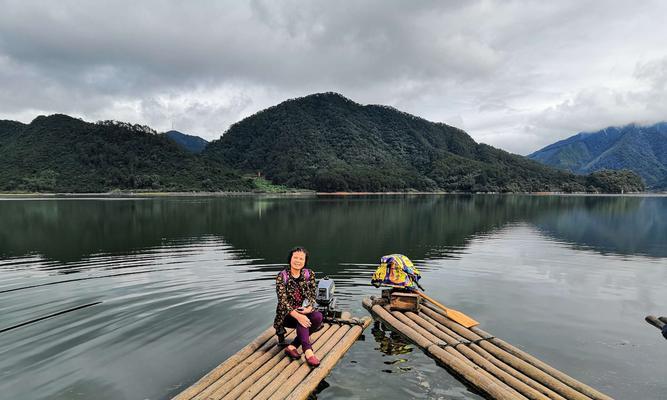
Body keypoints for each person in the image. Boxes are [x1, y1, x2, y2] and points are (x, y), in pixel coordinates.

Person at [273, 246, 323, 367]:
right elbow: (282, 301)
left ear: (305, 261)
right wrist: (298, 315)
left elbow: (312, 296)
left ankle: (292, 346)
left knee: (317, 316)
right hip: (286, 315)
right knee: (302, 319)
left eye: (301, 258)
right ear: (290, 259)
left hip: (301, 310)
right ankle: (308, 352)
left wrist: (309, 308)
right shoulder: (282, 276)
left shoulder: (309, 274)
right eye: (295, 257)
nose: (298, 260)